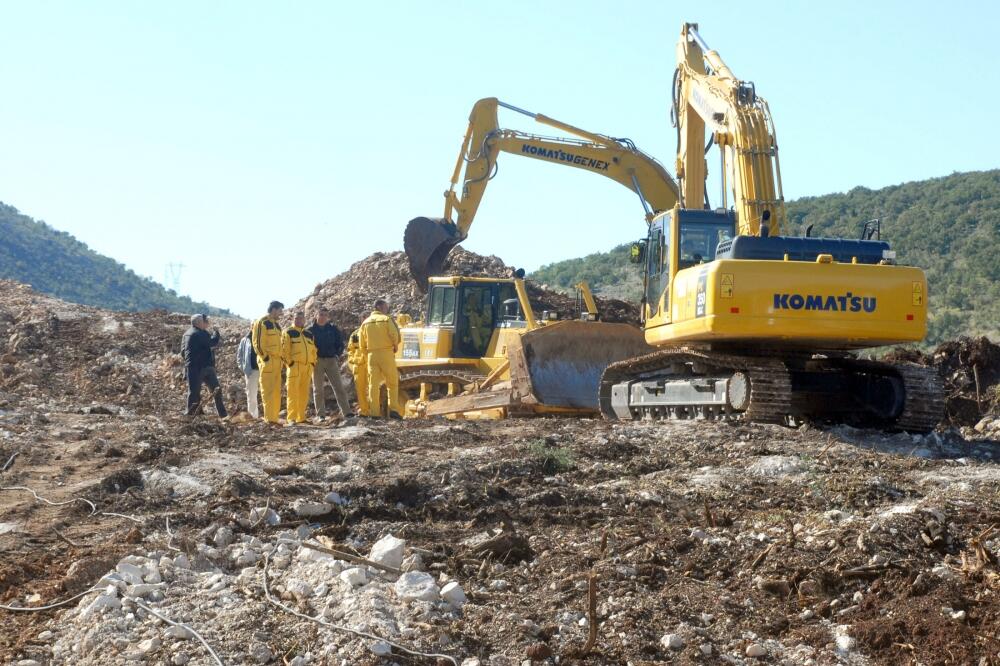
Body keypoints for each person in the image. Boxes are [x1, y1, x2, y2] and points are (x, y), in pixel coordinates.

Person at [359, 298, 402, 418]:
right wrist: (394, 347)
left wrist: (368, 355)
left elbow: (362, 344)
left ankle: (374, 413)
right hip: (386, 353)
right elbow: (395, 335)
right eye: (385, 307)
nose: (387, 309)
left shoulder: (365, 323)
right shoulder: (386, 319)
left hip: (372, 355)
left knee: (373, 385)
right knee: (392, 383)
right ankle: (393, 409)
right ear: (379, 307)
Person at [309, 308, 352, 419]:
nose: (323, 317)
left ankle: (347, 412)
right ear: (316, 315)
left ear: (328, 317)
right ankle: (321, 415)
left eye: (325, 315)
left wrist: (337, 354)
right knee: (318, 389)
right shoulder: (309, 330)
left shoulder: (333, 329)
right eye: (321, 314)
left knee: (338, 387)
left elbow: (340, 343)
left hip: (331, 360)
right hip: (316, 361)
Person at [181, 314, 227, 417]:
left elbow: (183, 352)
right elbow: (212, 342)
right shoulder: (199, 333)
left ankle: (193, 414)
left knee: (194, 392)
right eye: (203, 321)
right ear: (198, 322)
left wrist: (190, 361)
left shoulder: (186, 334)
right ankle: (222, 415)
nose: (206, 322)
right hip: (203, 367)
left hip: (194, 367)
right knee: (215, 390)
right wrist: (216, 332)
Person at [281, 311, 317, 424]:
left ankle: (301, 417)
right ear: (293, 319)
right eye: (297, 318)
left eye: (301, 318)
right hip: (294, 366)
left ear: (304, 320)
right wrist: (290, 363)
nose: (299, 320)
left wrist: (313, 363)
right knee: (292, 393)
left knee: (304, 393)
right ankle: (291, 418)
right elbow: (284, 350)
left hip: (307, 367)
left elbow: (314, 350)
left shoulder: (309, 334)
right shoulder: (288, 332)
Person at [252, 301, 284, 424]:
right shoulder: (262, 322)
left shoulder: (277, 325)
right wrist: (265, 358)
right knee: (268, 391)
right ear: (274, 309)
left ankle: (274, 419)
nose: (281, 314)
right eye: (280, 310)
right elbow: (257, 343)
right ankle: (269, 420)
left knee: (276, 392)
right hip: (268, 360)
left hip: (277, 361)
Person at [236, 332, 259, 418]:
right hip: (251, 371)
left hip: (264, 370)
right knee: (251, 394)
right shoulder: (245, 340)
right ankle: (253, 416)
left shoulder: (263, 337)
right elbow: (239, 356)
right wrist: (243, 368)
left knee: (267, 394)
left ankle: (269, 416)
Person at [346, 329, 369, 417]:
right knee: (360, 389)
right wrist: (355, 360)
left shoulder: (373, 331)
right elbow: (350, 351)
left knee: (372, 389)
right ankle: (364, 411)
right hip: (359, 366)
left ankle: (374, 410)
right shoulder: (355, 334)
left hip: (371, 364)